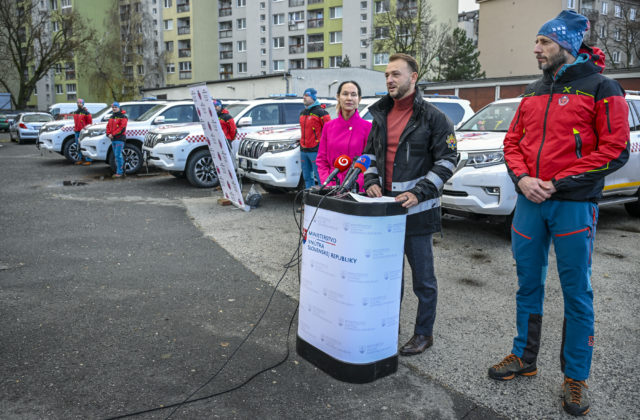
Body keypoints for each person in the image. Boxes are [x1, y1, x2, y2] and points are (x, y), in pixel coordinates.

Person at [488, 10, 630, 417]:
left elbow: (615, 149)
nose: (536, 49)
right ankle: (524, 357)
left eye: (544, 42)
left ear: (567, 46)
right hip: (530, 204)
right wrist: (522, 179)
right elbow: (511, 142)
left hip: (573, 205)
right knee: (526, 284)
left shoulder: (604, 87)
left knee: (577, 294)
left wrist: (557, 181)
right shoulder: (533, 91)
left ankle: (575, 377)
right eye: (536, 41)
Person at [363, 54, 457, 357]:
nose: (390, 80)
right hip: (385, 214)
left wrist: (420, 192)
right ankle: (387, 329)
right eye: (387, 75)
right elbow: (369, 157)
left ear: (413, 77)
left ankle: (423, 334)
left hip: (417, 213)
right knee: (389, 280)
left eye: (396, 75)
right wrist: (370, 182)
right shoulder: (379, 115)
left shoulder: (435, 118)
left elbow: (447, 160)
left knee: (424, 281)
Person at [316, 81, 371, 190]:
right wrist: (329, 183)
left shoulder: (368, 127)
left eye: (353, 94)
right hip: (331, 187)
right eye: (345, 94)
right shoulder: (329, 127)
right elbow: (321, 160)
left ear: (359, 99)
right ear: (338, 97)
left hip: (357, 188)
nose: (349, 98)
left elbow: (370, 162)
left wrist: (354, 184)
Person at [299, 88, 331, 189]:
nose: (304, 97)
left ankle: (323, 199)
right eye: (304, 95)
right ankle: (309, 199)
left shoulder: (321, 112)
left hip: (316, 150)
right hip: (303, 150)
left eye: (307, 95)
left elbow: (329, 131)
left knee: (320, 176)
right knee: (307, 177)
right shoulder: (303, 112)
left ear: (313, 97)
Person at [106, 102, 128, 179]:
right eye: (113, 107)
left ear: (119, 108)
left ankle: (120, 172)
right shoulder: (111, 117)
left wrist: (113, 134)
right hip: (113, 139)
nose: (114, 108)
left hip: (120, 139)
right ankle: (120, 171)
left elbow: (122, 128)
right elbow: (108, 126)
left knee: (118, 156)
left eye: (115, 107)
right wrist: (108, 134)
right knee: (116, 155)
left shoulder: (123, 117)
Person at [72, 99, 93, 165]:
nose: (79, 104)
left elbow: (89, 123)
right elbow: (76, 122)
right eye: (78, 102)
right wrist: (75, 127)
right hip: (77, 131)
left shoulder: (86, 113)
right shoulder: (75, 112)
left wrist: (86, 130)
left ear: (83, 104)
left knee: (85, 145)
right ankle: (80, 159)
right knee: (78, 146)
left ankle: (88, 160)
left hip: (83, 132)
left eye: (80, 103)